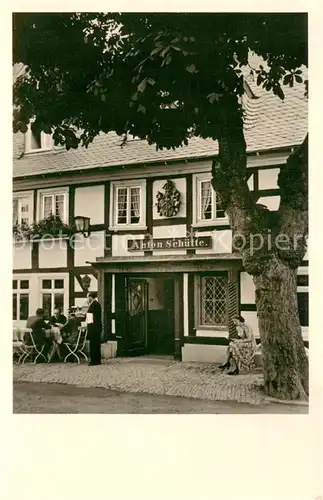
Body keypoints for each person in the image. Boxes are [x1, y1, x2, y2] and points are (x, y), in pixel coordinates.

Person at [86, 291, 102, 366]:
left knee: (93, 344)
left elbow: (90, 318)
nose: (87, 298)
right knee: (96, 344)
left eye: (87, 297)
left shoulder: (93, 305)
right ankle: (97, 360)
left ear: (90, 297)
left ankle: (94, 361)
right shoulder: (96, 304)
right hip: (96, 327)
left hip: (93, 327)